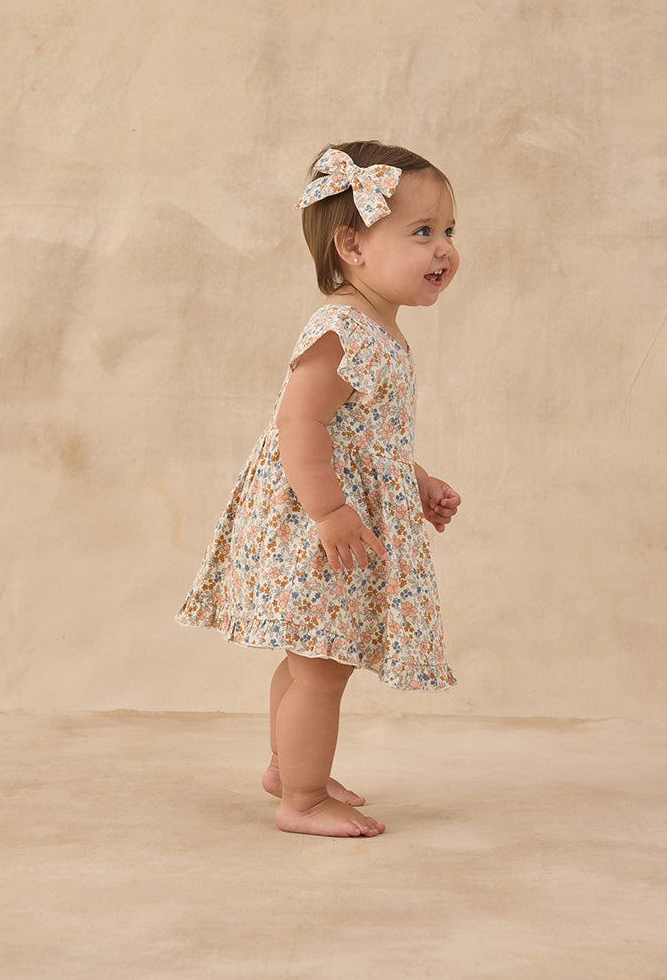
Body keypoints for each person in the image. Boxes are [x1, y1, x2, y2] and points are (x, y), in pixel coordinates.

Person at [176, 141, 462, 838]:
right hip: (317, 518)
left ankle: (289, 767)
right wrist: (329, 510)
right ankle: (301, 799)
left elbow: (365, 434)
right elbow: (298, 421)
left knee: (311, 656)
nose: (444, 249)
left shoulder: (375, 326)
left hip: (336, 511)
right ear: (352, 246)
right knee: (322, 668)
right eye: (421, 231)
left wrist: (417, 482)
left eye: (449, 230)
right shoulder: (342, 330)